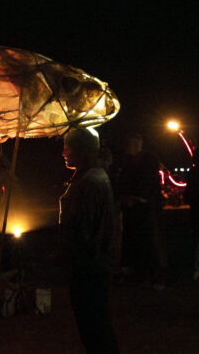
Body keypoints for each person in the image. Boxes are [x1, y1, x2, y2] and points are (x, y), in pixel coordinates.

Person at [59, 128, 119, 353]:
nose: (64, 153)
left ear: (82, 150)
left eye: (68, 147)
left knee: (95, 329)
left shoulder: (90, 181)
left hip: (88, 267)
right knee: (96, 327)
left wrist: (67, 255)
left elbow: (83, 229)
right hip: (92, 264)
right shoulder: (92, 176)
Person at [117, 133, 166, 286]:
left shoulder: (146, 161)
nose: (126, 147)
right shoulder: (130, 161)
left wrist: (136, 197)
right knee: (136, 240)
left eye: (129, 144)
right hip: (135, 208)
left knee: (148, 241)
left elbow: (149, 184)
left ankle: (152, 274)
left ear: (137, 144)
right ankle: (139, 272)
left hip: (144, 208)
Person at [184, 148, 199, 281]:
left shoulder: (193, 173)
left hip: (195, 210)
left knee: (196, 240)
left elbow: (187, 195)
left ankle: (196, 269)